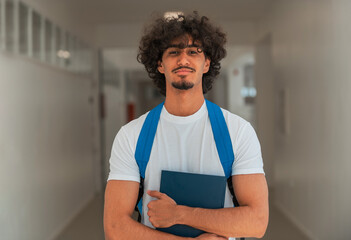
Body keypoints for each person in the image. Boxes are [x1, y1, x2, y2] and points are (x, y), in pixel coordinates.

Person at [104, 12, 268, 240]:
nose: (183, 60)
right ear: (160, 64)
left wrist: (179, 214)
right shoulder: (132, 136)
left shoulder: (237, 132)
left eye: (193, 51)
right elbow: (115, 226)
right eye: (173, 52)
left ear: (206, 63)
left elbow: (257, 222)